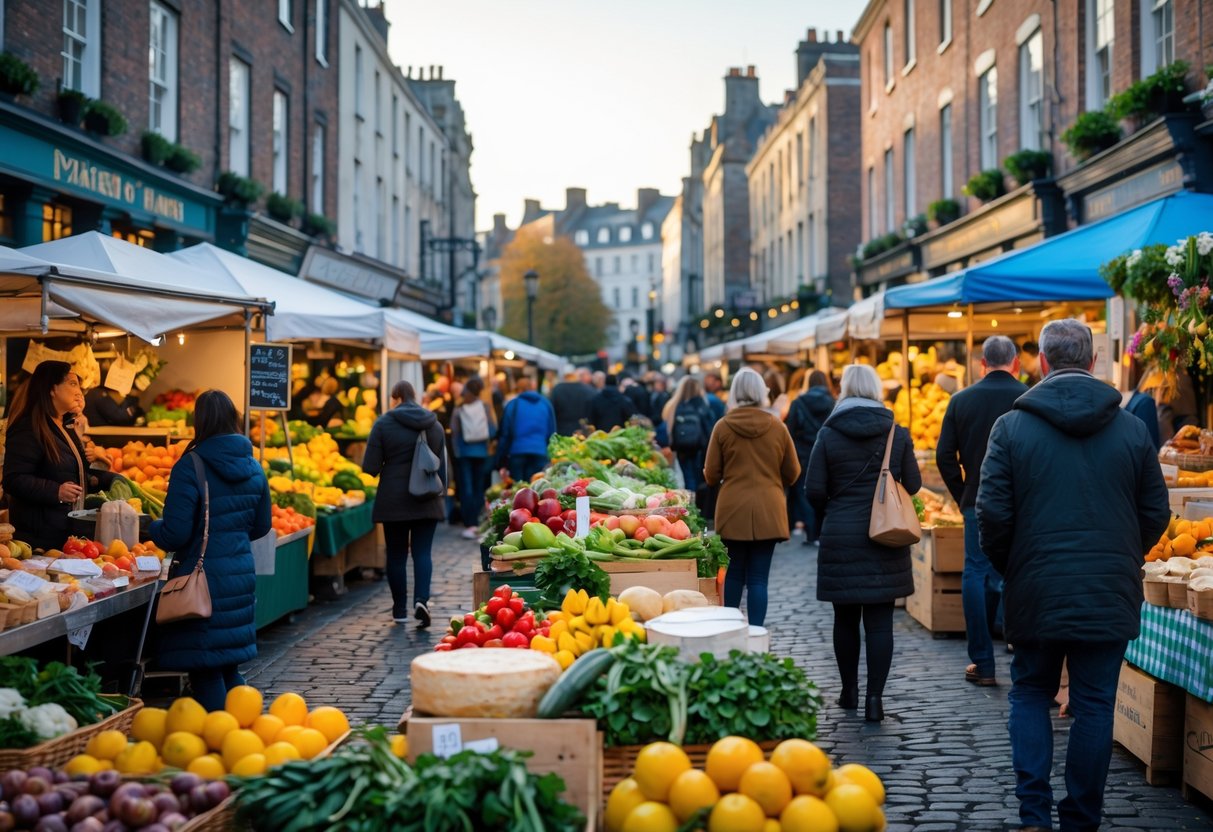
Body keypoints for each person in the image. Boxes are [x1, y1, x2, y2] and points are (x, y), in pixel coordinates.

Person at [977, 319, 1169, 832]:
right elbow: (1156, 511)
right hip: (1108, 588)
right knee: (1093, 704)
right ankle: (1081, 817)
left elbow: (991, 514)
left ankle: (1035, 813)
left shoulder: (1011, 428)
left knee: (1031, 692)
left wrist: (1011, 566)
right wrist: (1125, 555)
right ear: (1091, 362)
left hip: (1036, 586)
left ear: (1041, 362)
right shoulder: (1130, 428)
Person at [806, 364, 921, 724]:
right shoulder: (895, 433)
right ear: (875, 389)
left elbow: (813, 490)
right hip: (884, 535)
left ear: (843, 389)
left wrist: (834, 510)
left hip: (841, 533)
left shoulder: (828, 433)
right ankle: (875, 700)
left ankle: (848, 692)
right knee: (880, 623)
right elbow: (914, 484)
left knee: (844, 619)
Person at [149, 390, 272, 712]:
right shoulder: (254, 466)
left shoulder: (191, 465)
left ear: (198, 421)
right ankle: (246, 732)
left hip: (202, 578)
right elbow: (262, 526)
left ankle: (224, 741)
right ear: (234, 418)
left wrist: (150, 527)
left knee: (205, 668)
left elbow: (175, 533)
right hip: (240, 573)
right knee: (228, 663)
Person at [935, 335, 1027, 688]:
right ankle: (1018, 644)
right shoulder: (1027, 397)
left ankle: (983, 661)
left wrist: (963, 493)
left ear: (981, 364)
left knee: (975, 570)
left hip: (976, 498)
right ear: (1015, 362)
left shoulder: (961, 400)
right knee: (1016, 569)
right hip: (1021, 500)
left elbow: (945, 455)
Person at [703, 368, 799, 627]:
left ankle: (732, 629)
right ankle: (756, 631)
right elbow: (794, 471)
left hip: (733, 507)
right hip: (769, 507)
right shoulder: (777, 426)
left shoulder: (723, 427)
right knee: (759, 578)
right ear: (762, 393)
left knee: (734, 575)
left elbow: (711, 475)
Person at [3, 361, 117, 551]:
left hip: (64, 531)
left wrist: (112, 480)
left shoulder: (65, 426)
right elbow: (13, 479)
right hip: (40, 538)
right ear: (51, 388)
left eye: (79, 385)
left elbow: (72, 472)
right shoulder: (29, 428)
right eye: (72, 383)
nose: (79, 391)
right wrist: (56, 491)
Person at [363, 381, 448, 627]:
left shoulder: (383, 423)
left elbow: (370, 467)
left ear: (395, 397)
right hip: (428, 499)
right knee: (423, 553)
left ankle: (399, 609)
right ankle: (421, 599)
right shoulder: (434, 424)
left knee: (397, 555)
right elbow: (441, 466)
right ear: (416, 397)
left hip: (394, 499)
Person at [785, 370, 835, 545]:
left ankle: (811, 532)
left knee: (803, 493)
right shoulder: (833, 402)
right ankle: (821, 531)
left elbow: (789, 431)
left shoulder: (798, 403)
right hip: (826, 452)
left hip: (803, 454)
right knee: (825, 490)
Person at [451, 376, 496, 540]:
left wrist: (457, 452)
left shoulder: (459, 409)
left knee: (466, 488)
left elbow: (454, 432)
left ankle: (468, 522)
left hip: (464, 453)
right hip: (482, 453)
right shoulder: (484, 407)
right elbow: (491, 430)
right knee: (479, 488)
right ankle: (477, 522)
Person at [496, 377, 557, 482]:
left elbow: (505, 433)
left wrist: (501, 460)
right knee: (536, 488)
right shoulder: (545, 404)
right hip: (540, 452)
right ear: (532, 387)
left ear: (518, 389)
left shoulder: (513, 404)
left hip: (517, 453)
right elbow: (552, 432)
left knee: (518, 489)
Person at [663, 376, 714, 493]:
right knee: (699, 478)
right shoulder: (702, 405)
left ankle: (690, 503)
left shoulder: (674, 405)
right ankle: (699, 505)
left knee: (687, 477)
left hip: (682, 449)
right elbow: (710, 429)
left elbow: (668, 430)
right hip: (700, 450)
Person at [549, 368, 597, 436]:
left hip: (562, 432)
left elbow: (552, 412)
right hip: (583, 431)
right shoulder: (589, 390)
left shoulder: (557, 390)